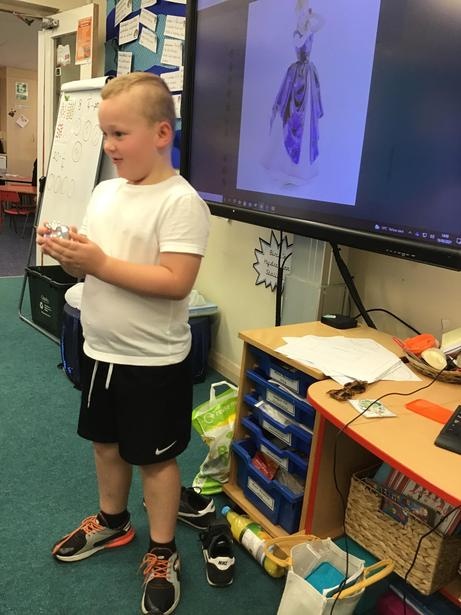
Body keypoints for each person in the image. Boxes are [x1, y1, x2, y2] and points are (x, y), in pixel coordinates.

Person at [37, 72, 210, 615]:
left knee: (155, 460)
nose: (109, 146)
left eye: (119, 134)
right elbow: (96, 264)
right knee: (105, 444)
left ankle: (163, 549)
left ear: (161, 133)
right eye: (104, 134)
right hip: (100, 349)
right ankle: (113, 521)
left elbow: (176, 281)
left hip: (152, 361)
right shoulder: (105, 191)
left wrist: (100, 262)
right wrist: (72, 254)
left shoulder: (182, 202)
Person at [262, 0, 324, 185]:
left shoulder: (309, 28)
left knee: (308, 119)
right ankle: (285, 165)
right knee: (292, 117)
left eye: (306, 12)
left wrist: (313, 16)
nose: (305, 16)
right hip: (297, 78)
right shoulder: (297, 32)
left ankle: (302, 168)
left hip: (308, 77)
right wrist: (307, 28)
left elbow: (323, 22)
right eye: (302, 13)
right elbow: (299, 42)